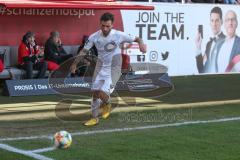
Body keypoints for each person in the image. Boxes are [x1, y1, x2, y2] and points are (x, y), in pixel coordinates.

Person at [70, 12, 146, 126]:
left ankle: (107, 103)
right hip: (100, 67)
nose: (105, 28)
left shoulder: (119, 35)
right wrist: (75, 63)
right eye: (103, 26)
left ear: (112, 25)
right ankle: (94, 118)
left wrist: (141, 45)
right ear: (100, 24)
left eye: (108, 26)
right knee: (95, 93)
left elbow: (138, 39)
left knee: (102, 93)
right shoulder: (94, 36)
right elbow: (84, 51)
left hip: (114, 67)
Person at [195, 7, 225, 73]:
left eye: (217, 20)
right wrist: (198, 47)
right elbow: (201, 70)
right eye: (212, 20)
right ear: (210, 22)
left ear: (221, 22)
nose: (214, 24)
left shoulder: (226, 41)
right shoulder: (209, 44)